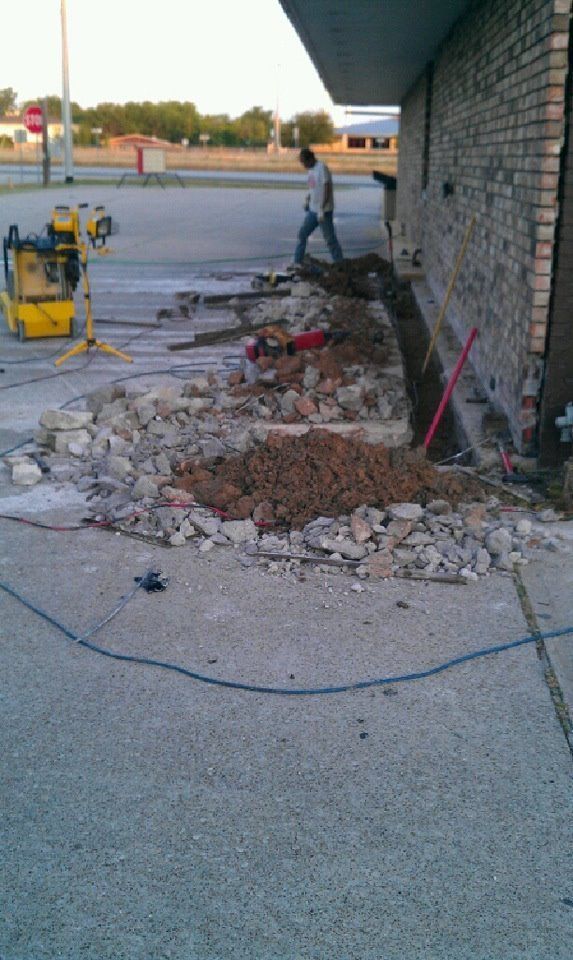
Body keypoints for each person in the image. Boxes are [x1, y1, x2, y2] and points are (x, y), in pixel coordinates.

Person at [292, 148, 343, 267]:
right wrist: (307, 199)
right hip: (312, 210)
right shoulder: (311, 170)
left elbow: (327, 189)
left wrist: (322, 208)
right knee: (302, 234)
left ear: (311, 159)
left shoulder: (322, 168)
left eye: (304, 162)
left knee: (330, 239)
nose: (303, 165)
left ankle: (340, 263)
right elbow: (312, 187)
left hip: (323, 212)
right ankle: (297, 262)